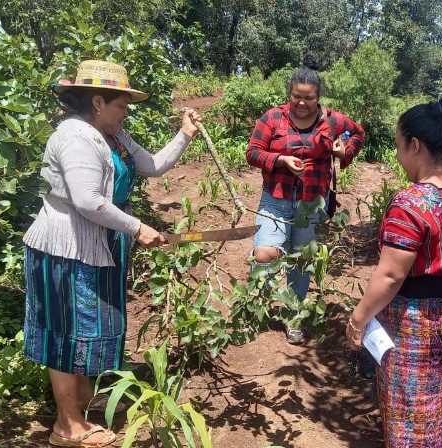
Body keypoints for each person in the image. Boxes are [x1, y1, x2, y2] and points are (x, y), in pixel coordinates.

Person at [22, 60, 202, 448]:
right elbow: (87, 201)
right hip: (66, 251)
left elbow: (152, 166)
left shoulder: (113, 136)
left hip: (97, 246)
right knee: (65, 331)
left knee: (85, 328)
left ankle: (83, 399)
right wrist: (138, 227)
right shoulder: (75, 137)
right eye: (122, 106)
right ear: (99, 102)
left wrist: (184, 135)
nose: (126, 114)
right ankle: (66, 424)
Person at [347, 89, 442, 447]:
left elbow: (391, 275)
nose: (398, 157)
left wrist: (357, 319)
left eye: (398, 147)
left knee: (411, 411)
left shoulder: (412, 201)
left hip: (415, 323)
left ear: (415, 146)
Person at [246, 54, 364, 344]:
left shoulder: (333, 120)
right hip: (276, 198)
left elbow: (358, 133)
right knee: (266, 254)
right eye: (296, 97)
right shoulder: (272, 118)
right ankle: (257, 303)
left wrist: (342, 151)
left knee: (301, 259)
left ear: (318, 97)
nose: (302, 103)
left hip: (313, 202)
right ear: (289, 94)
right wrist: (279, 159)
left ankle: (293, 315)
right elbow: (252, 152)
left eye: (309, 98)